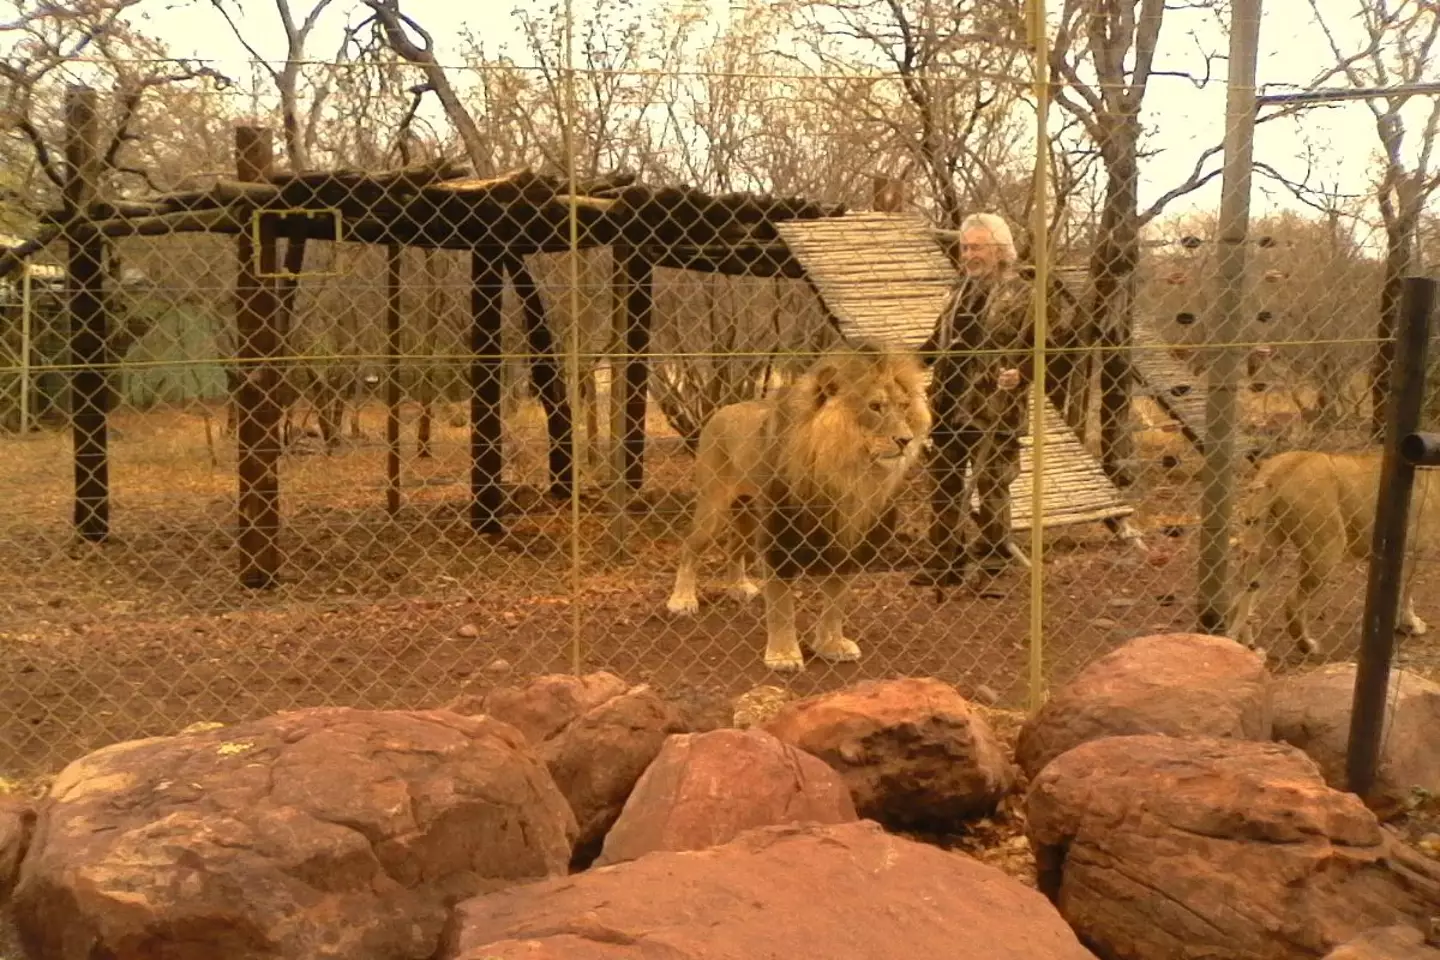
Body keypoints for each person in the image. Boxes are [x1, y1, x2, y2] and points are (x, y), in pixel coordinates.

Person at [910, 212, 1063, 587]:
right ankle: (945, 562)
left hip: (994, 407)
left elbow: (1055, 348)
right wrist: (905, 367)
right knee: (944, 484)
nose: (968, 255)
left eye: (976, 247)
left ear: (999, 250)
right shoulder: (956, 293)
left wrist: (1023, 374)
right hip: (946, 404)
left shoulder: (1025, 295)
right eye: (964, 247)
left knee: (993, 487)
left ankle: (994, 569)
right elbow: (936, 342)